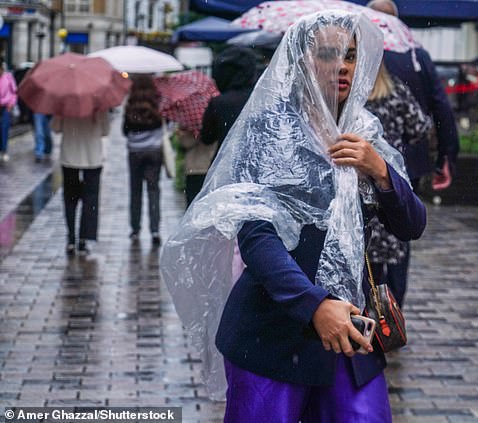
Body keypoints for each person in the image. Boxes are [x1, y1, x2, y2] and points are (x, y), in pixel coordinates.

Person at [160, 10, 426, 421]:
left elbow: (411, 224)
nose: (342, 66)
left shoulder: (365, 133)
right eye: (327, 54)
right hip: (273, 334)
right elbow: (257, 237)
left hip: (351, 337)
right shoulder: (270, 130)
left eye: (352, 55)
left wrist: (380, 170)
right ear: (301, 59)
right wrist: (314, 305)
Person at [367, 0, 459, 191]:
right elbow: (441, 106)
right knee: (404, 215)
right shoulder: (416, 56)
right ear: (397, 22)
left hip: (362, 159)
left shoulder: (358, 53)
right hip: (409, 160)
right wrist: (446, 156)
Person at [365, 63, 432, 306]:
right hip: (390, 178)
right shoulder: (396, 92)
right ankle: (392, 317)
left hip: (362, 180)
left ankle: (369, 314)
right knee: (397, 245)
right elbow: (420, 127)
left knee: (367, 254)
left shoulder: (352, 97)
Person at [51, 111, 110, 255]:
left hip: (70, 155)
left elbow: (56, 128)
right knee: (90, 199)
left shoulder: (65, 102)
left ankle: (71, 239)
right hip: (92, 156)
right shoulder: (99, 102)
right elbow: (105, 131)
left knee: (70, 199)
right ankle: (84, 239)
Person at [122, 75, 163, 246]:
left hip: (135, 152)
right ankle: (154, 230)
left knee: (135, 190)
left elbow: (125, 131)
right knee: (153, 190)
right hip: (154, 150)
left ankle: (135, 229)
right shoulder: (157, 102)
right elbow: (163, 125)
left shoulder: (130, 104)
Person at [199, 46, 257, 161]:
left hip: (225, 165)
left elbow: (207, 138)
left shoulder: (219, 103)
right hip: (257, 164)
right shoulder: (262, 98)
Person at [177, 127, 217, 206]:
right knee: (206, 201)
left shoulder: (188, 124)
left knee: (192, 202)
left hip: (194, 169)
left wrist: (183, 135)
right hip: (208, 166)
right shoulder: (212, 125)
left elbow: (185, 144)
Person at [0, 59, 17, 162]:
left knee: (4, 128)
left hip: (6, 107)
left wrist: (11, 104)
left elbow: (14, 92)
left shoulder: (8, 77)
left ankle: (4, 150)